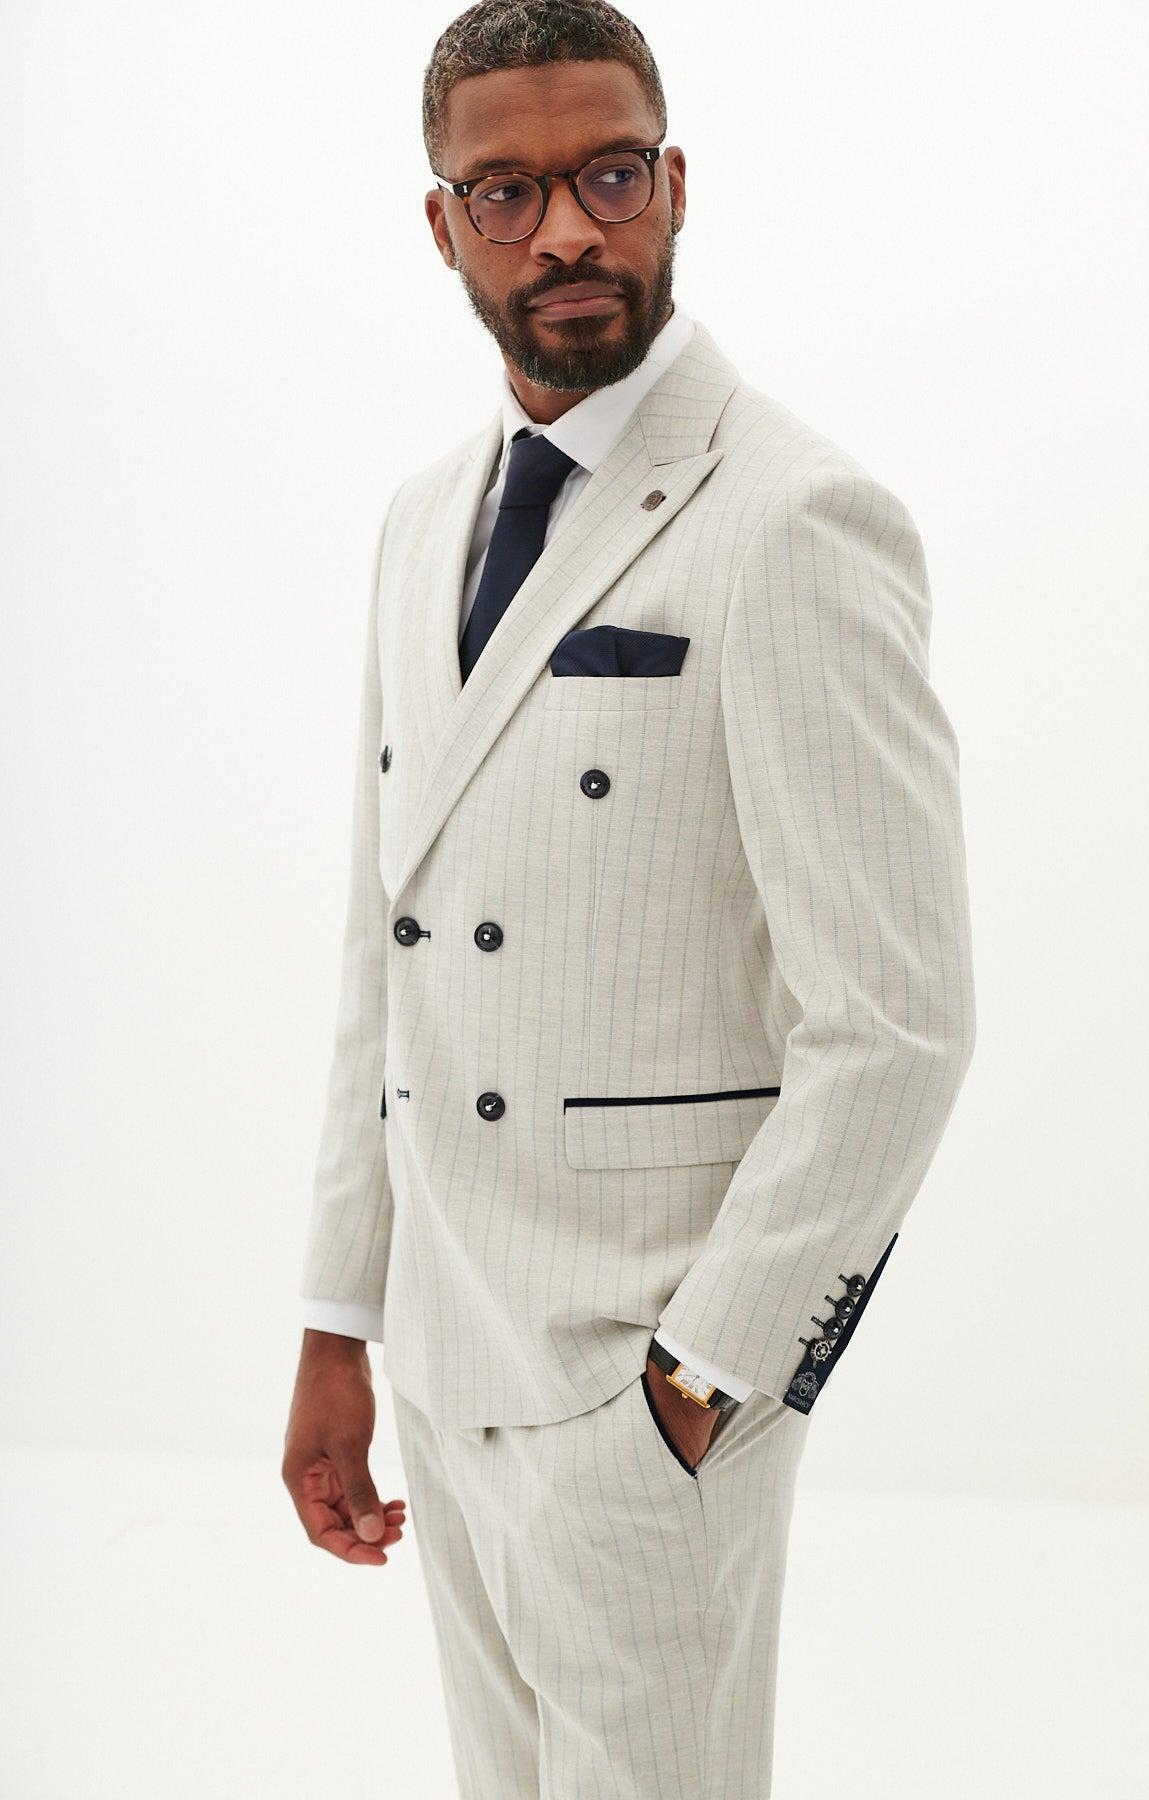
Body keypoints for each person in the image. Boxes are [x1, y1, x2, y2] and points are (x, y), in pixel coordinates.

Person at [282, 3, 976, 1794]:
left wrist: (704, 1386)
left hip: (642, 1392)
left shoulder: (796, 517)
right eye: (505, 193)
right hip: (446, 1359)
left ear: (673, 184)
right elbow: (382, 950)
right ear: (443, 225)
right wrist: (343, 1323)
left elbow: (897, 1025)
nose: (565, 233)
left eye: (606, 177)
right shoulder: (418, 521)